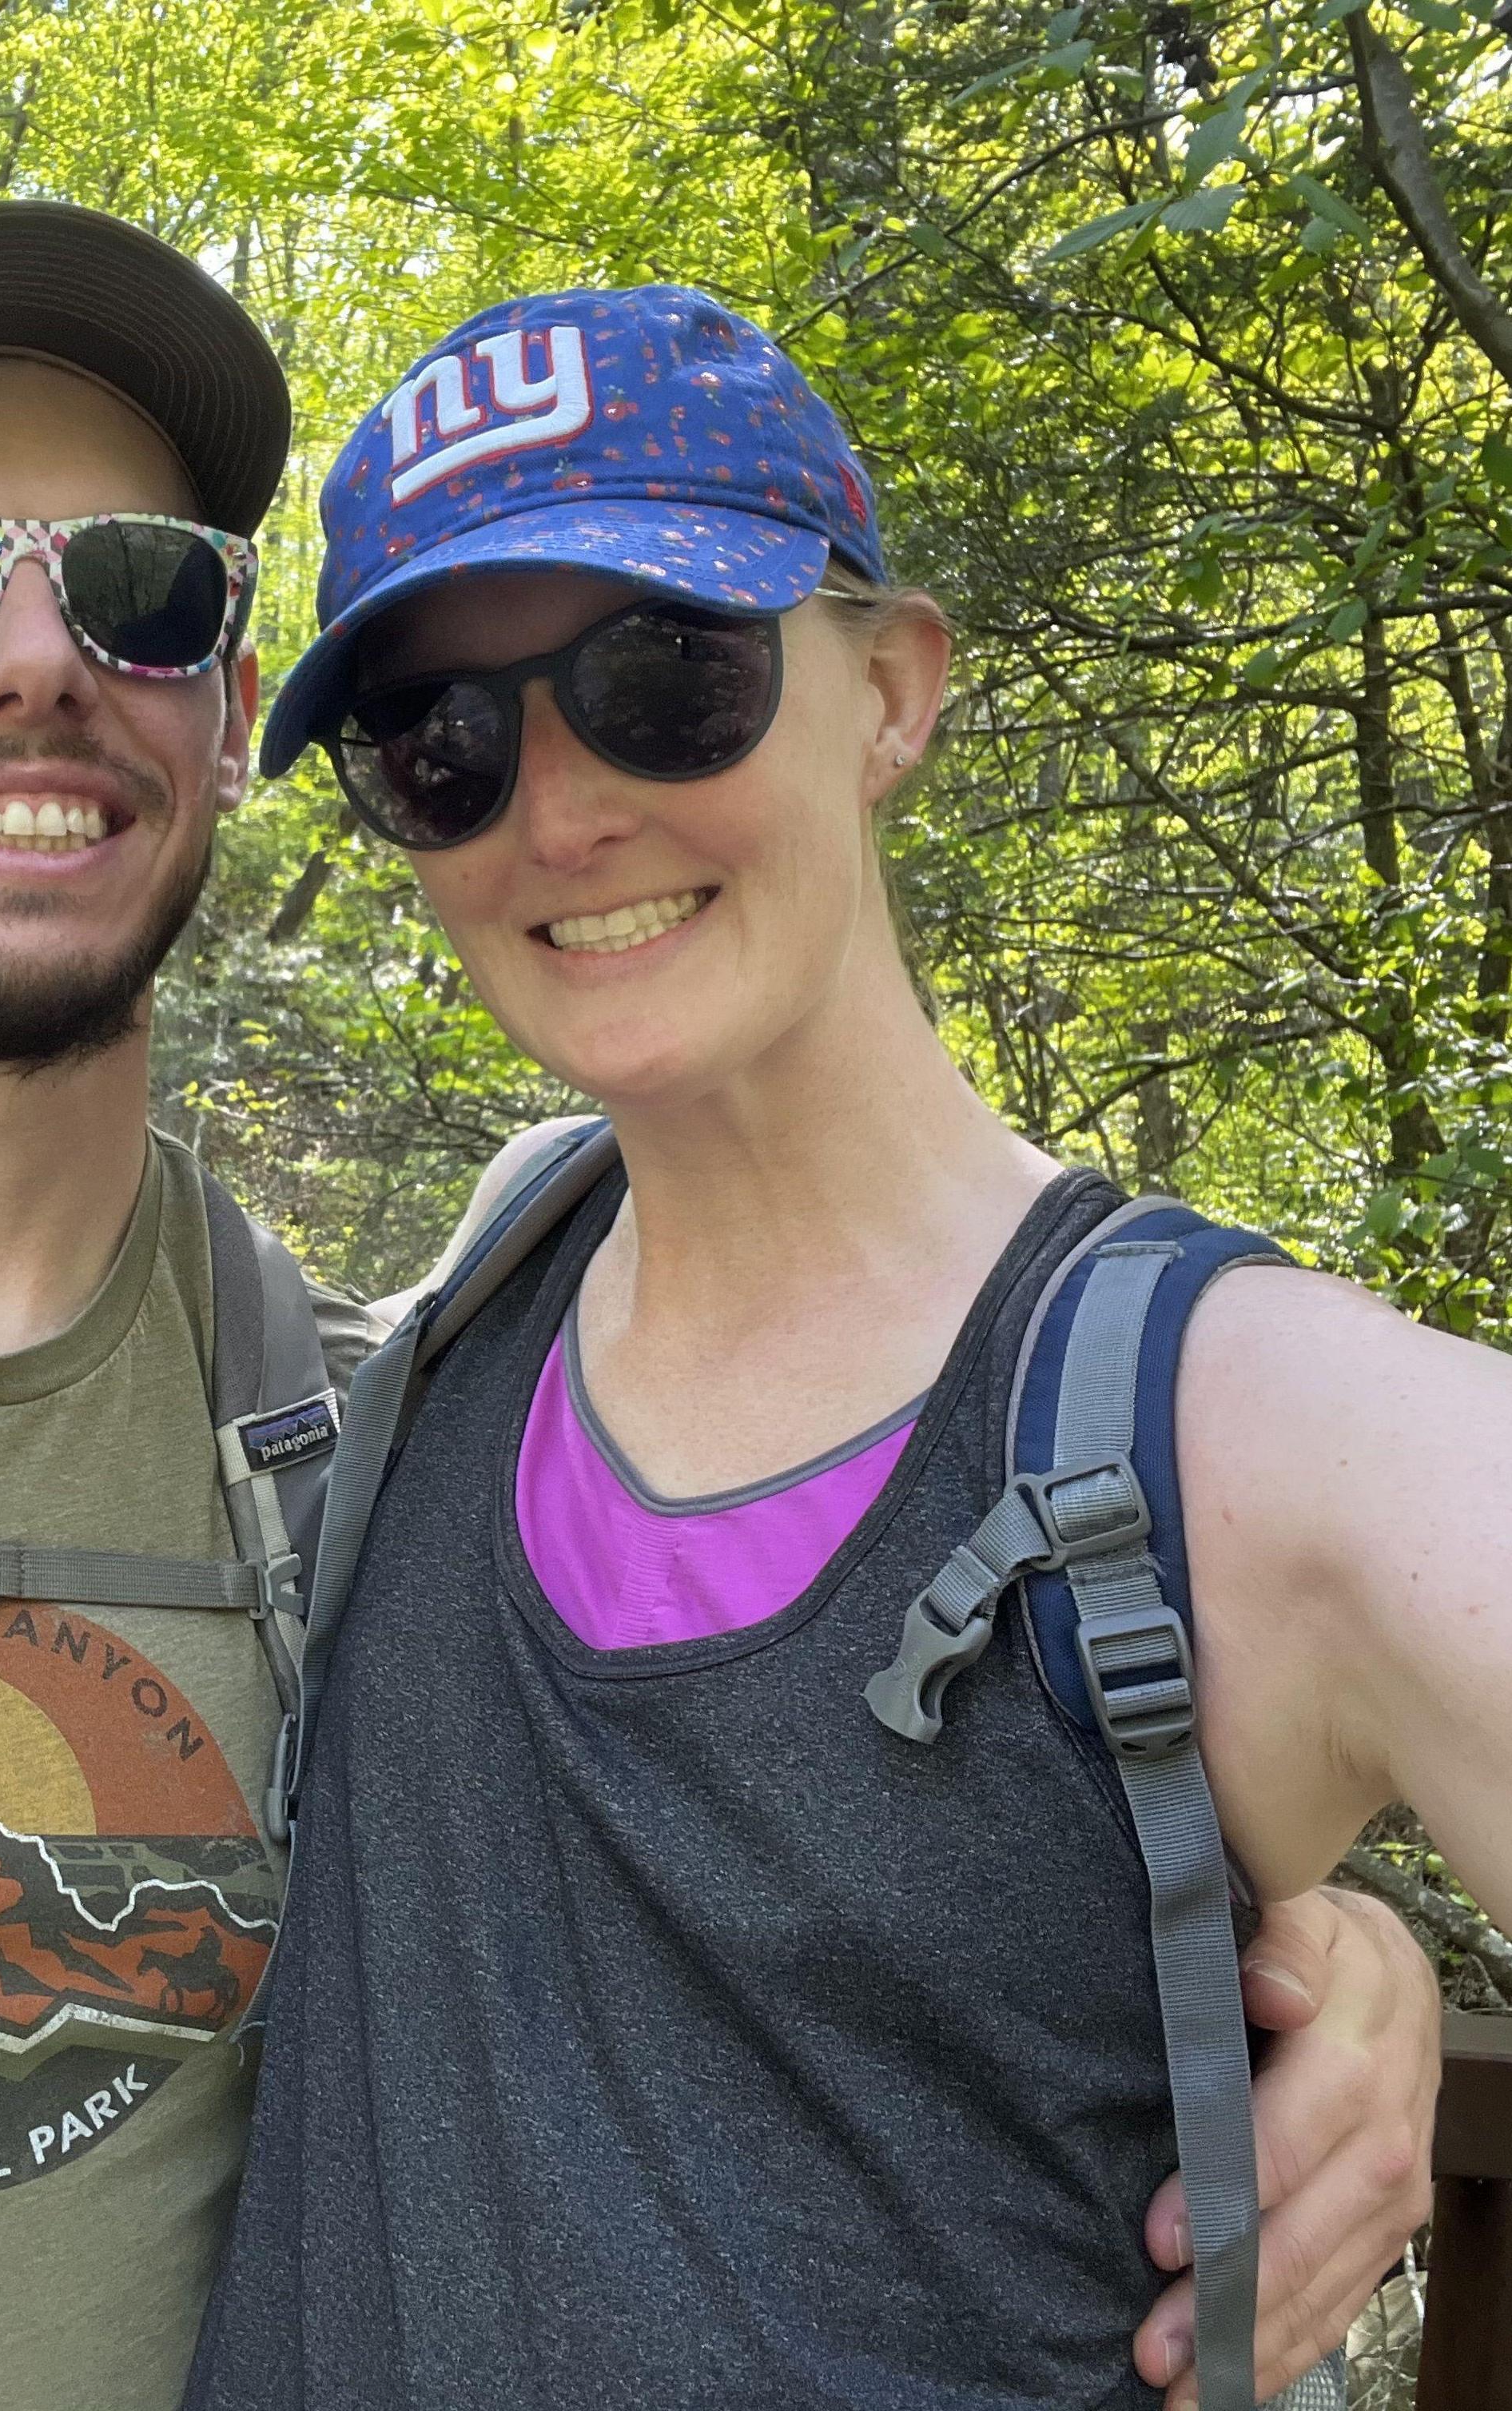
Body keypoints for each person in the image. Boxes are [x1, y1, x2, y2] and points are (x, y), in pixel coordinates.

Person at [0, 220, 1438, 2410]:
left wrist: (1292, 1941)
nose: (23, 665)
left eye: (130, 597)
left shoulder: (355, 1438)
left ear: (226, 721)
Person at [186, 287, 1490, 2411]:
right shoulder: (471, 1301)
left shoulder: (1232, 1426)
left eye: (661, 676)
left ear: (892, 689)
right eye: (445, 739)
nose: (563, 808)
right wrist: (1320, 1967)